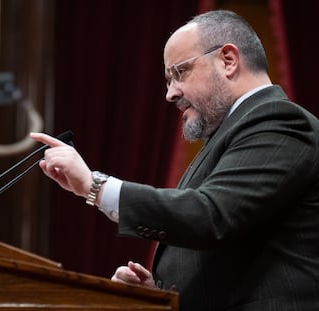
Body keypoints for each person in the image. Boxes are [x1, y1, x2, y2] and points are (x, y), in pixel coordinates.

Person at [30, 9, 319, 311]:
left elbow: (211, 215)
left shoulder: (280, 120)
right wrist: (160, 294)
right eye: (168, 80)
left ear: (228, 61)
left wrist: (94, 186)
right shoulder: (232, 133)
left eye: (179, 73)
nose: (170, 93)